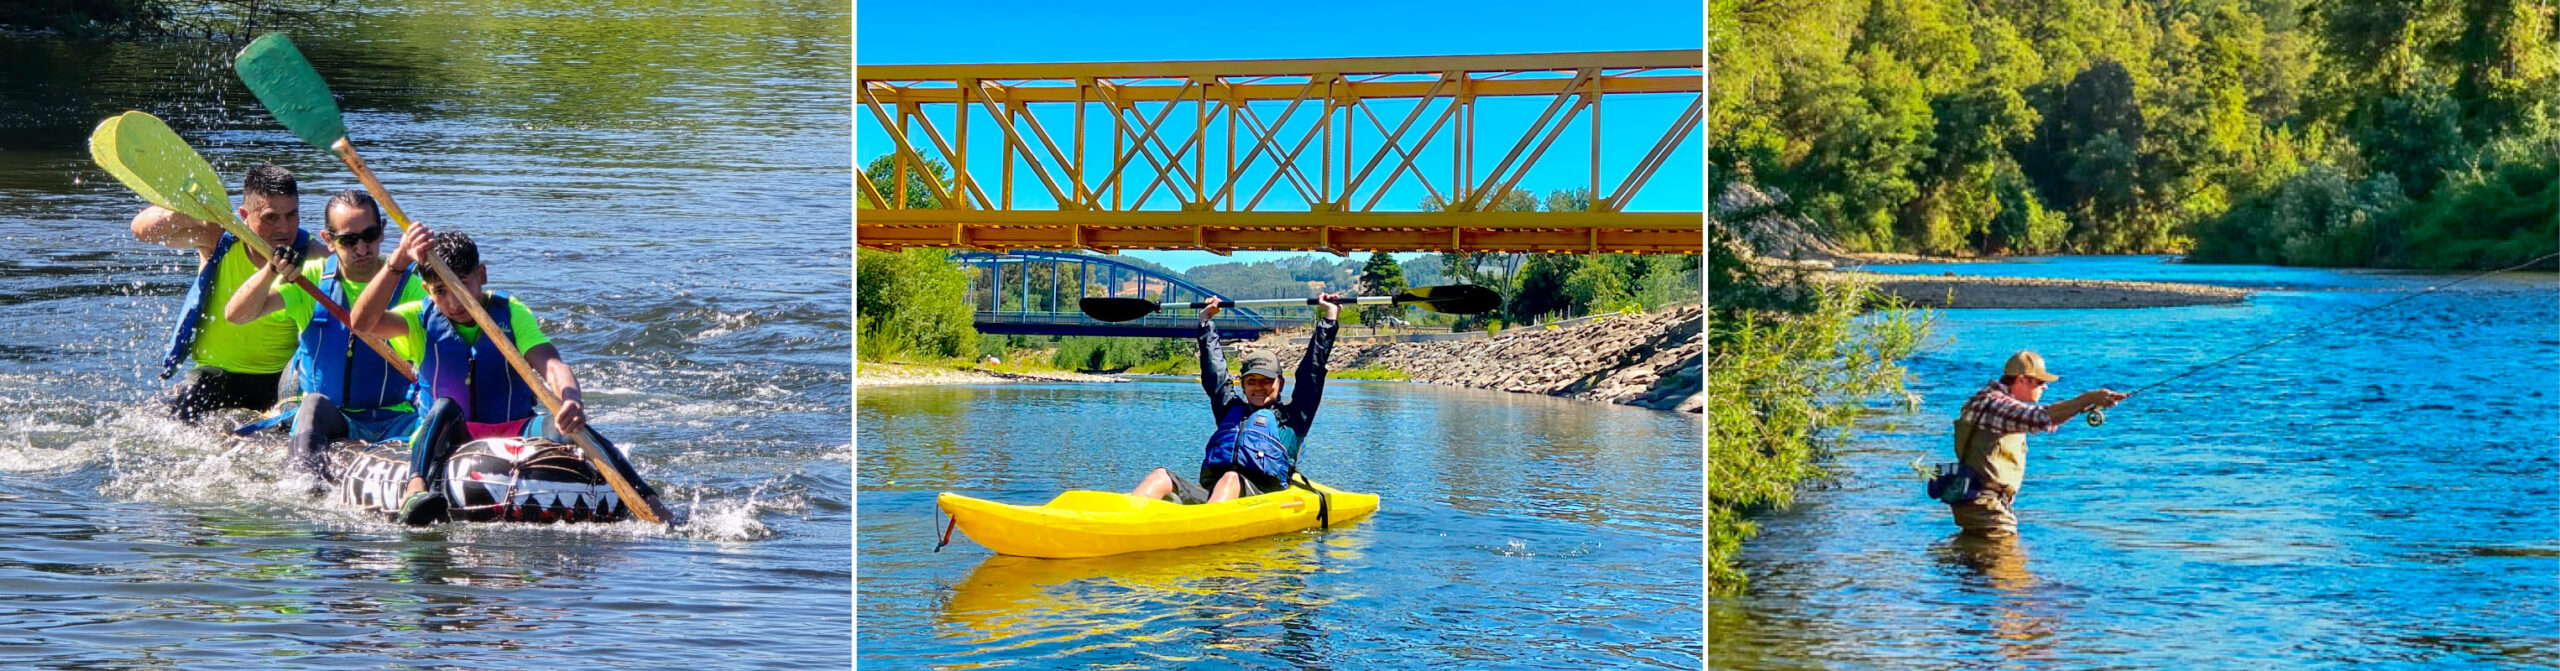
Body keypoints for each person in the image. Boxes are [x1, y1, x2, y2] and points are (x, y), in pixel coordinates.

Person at [347, 226, 668, 524]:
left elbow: (551, 364)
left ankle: (649, 501)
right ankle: (415, 487)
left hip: (515, 426)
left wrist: (570, 399)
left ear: (482, 275)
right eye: (441, 290)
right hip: (453, 429)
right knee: (443, 406)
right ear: (428, 290)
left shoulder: (511, 312)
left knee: (571, 428)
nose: (454, 301)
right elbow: (361, 323)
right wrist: (397, 264)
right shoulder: (420, 318)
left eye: (462, 284)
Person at [221, 190, 428, 478]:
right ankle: (302, 484)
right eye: (348, 240)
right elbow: (236, 315)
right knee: (313, 404)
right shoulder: (309, 280)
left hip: (397, 417)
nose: (362, 248)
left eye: (369, 236)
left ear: (382, 231)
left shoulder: (410, 287)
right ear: (328, 240)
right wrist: (271, 270)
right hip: (333, 417)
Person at [129, 163, 327, 423]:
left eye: (291, 215)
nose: (284, 228)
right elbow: (142, 230)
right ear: (244, 215)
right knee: (186, 406)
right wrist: (194, 212)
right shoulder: (217, 238)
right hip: (216, 374)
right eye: (270, 217)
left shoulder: (315, 256)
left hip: (281, 379)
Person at [1129, 293, 1342, 504]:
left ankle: (1206, 522)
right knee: (1160, 476)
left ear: (1280, 384)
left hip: (1263, 500)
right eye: (1252, 381)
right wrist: (1205, 321)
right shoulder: (1229, 410)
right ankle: (1125, 516)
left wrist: (1329, 318)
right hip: (1217, 496)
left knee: (1231, 479)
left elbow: (1311, 372)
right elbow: (1215, 371)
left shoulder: (1294, 418)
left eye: (1266, 381)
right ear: (1243, 384)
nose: (1258, 387)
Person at [1945, 350, 2126, 536]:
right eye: (2040, 382)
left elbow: (2041, 417)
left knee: (1977, 549)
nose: (2045, 387)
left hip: (1975, 501)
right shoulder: (1995, 405)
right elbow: (2039, 418)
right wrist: (2087, 398)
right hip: (1986, 507)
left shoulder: (1985, 399)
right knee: (2004, 554)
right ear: (2021, 380)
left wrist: (2080, 406)